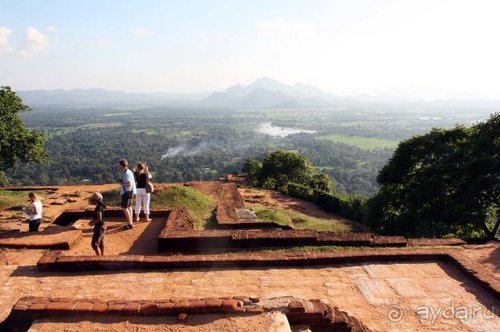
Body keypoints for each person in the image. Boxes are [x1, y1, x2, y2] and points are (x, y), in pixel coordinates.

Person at [118, 159, 136, 229]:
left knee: (124, 208)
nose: (118, 166)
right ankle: (130, 222)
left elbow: (129, 183)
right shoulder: (127, 172)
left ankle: (130, 224)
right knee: (129, 207)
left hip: (127, 192)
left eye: (119, 165)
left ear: (122, 165)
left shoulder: (127, 173)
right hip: (130, 191)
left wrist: (122, 183)